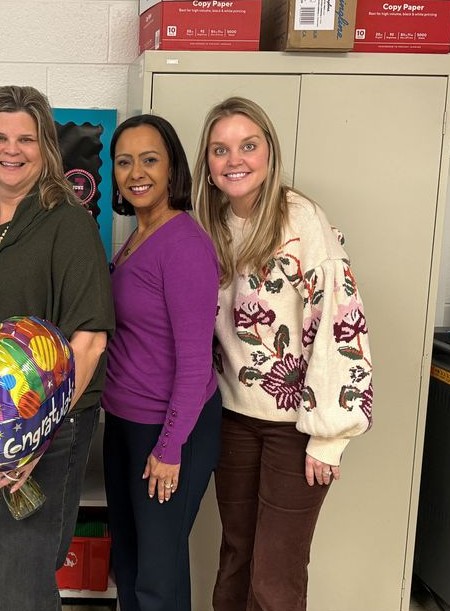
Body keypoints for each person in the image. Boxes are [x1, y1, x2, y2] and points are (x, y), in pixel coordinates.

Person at [0, 85, 114, 611]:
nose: (11, 150)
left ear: (46, 149)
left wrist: (33, 440)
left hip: (45, 430)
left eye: (26, 139)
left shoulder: (68, 224)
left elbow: (89, 340)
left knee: (23, 582)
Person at [191, 96, 373, 611]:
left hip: (298, 426)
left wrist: (330, 436)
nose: (235, 160)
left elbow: (341, 320)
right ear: (207, 163)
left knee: (276, 575)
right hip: (232, 420)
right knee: (236, 558)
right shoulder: (211, 224)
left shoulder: (302, 221)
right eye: (220, 150)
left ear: (269, 152)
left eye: (248, 146)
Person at [102, 114, 221, 611]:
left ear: (172, 169)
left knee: (158, 574)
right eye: (124, 161)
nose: (136, 172)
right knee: (129, 563)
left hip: (171, 430)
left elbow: (195, 363)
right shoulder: (136, 236)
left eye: (149, 159)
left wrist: (170, 447)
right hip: (126, 423)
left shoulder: (186, 245)